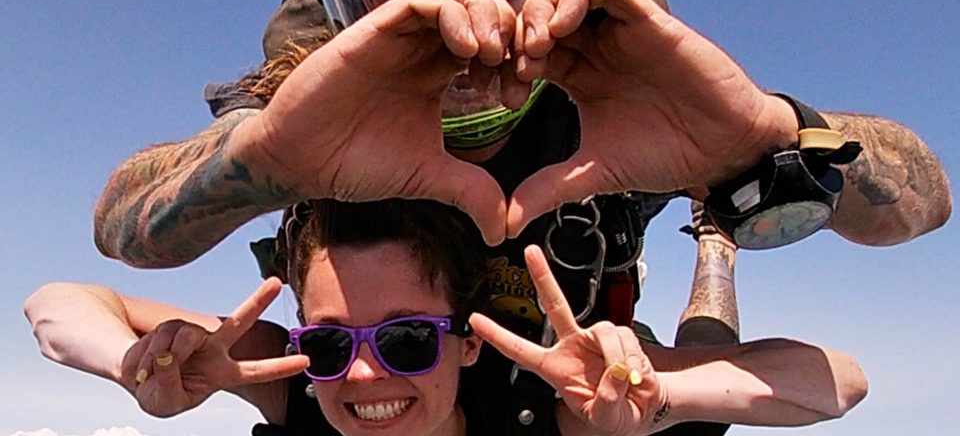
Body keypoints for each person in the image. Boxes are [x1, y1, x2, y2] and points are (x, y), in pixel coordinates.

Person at [89, 0, 947, 429]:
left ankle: (714, 242)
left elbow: (925, 199)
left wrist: (763, 139)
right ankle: (713, 242)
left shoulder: (605, 93)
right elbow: (122, 224)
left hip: (580, 369)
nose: (459, 27)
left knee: (696, 374)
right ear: (347, 18)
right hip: (456, 378)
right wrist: (266, 155)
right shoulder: (318, 87)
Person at [27, 199, 868, 436]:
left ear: (466, 344)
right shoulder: (288, 376)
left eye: (403, 338)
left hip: (606, 378)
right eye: (327, 341)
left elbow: (837, 384)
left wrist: (660, 401)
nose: (361, 373)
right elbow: (54, 306)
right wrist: (137, 370)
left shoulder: (552, 403)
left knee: (689, 348)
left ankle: (713, 245)